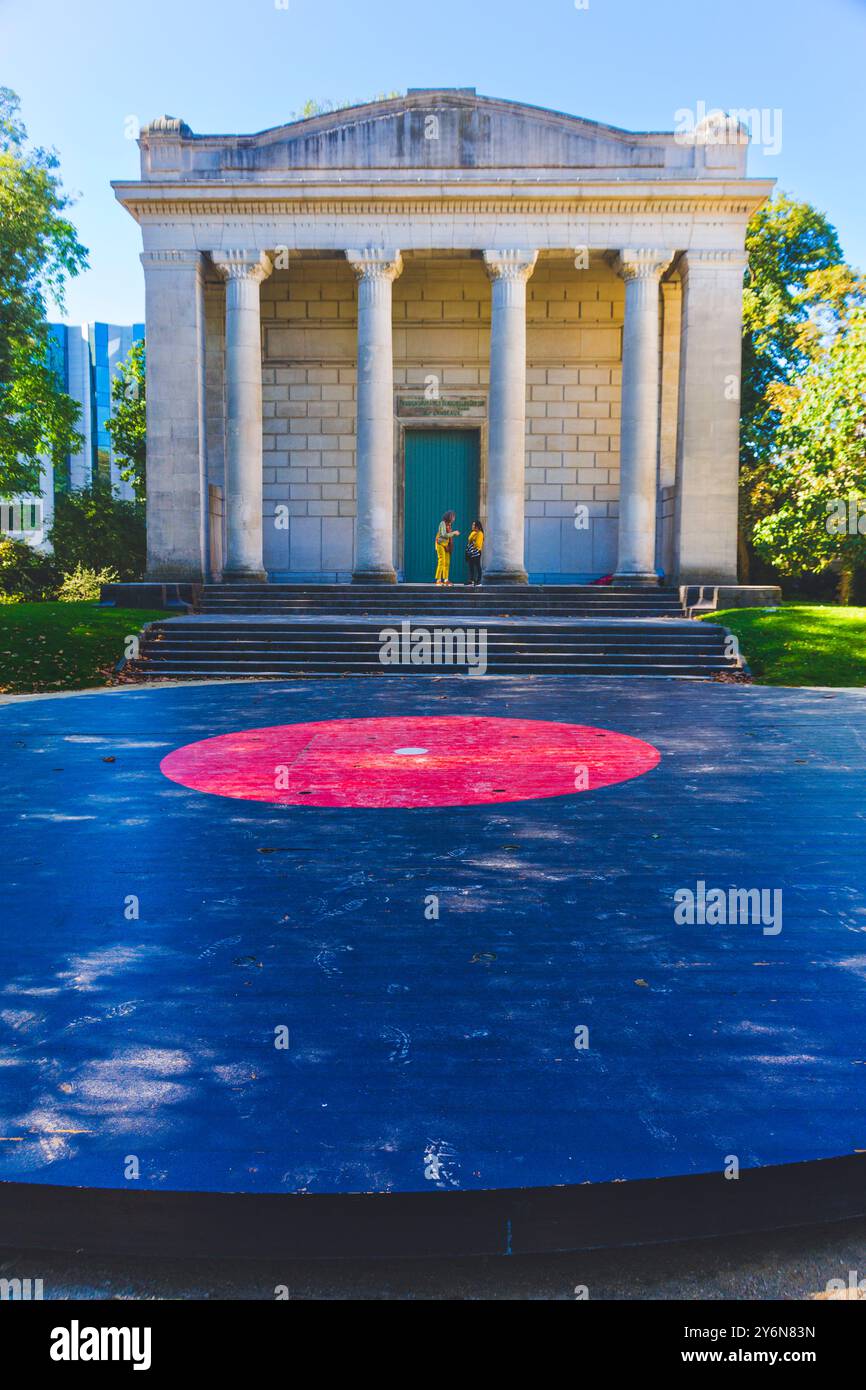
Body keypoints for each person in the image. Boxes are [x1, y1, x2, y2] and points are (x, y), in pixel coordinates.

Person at [434, 510, 460, 585]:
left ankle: (446, 580)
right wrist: (454, 533)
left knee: (447, 563)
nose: (454, 518)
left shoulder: (449, 524)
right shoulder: (442, 523)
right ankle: (438, 580)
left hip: (447, 545)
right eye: (453, 516)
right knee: (441, 561)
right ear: (449, 517)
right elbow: (443, 534)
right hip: (440, 544)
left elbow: (448, 537)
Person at [465, 519, 484, 586]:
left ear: (477, 526)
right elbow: (469, 539)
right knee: (471, 566)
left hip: (477, 552)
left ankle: (479, 581)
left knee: (477, 566)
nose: (472, 526)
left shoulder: (480, 533)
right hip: (471, 552)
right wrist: (473, 540)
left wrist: (473, 541)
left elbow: (478, 544)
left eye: (473, 525)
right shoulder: (473, 533)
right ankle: (471, 580)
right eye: (472, 524)